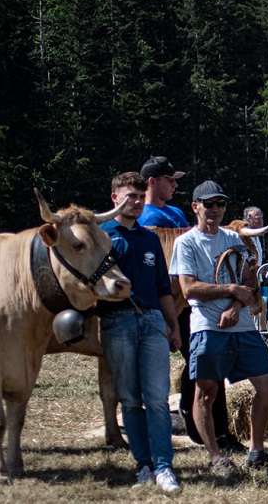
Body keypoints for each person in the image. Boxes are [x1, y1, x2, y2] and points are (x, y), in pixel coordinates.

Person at [170, 180, 268, 476]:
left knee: (267, 388)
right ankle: (216, 456)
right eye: (209, 204)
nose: (215, 209)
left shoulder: (233, 239)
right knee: (206, 393)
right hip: (206, 327)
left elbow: (251, 284)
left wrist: (235, 307)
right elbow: (189, 289)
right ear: (195, 207)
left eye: (221, 204)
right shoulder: (186, 243)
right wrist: (230, 289)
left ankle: (256, 451)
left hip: (242, 326)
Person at [98, 172, 183, 494]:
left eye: (137, 196)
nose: (134, 202)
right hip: (116, 322)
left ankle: (164, 467)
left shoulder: (149, 239)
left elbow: (164, 288)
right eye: (127, 196)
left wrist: (173, 327)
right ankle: (143, 465)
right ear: (114, 199)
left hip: (151, 322)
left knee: (157, 399)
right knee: (131, 401)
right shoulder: (102, 236)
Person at [138, 156, 189, 228]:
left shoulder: (177, 212)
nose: (176, 185)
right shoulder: (150, 218)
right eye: (170, 180)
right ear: (152, 181)